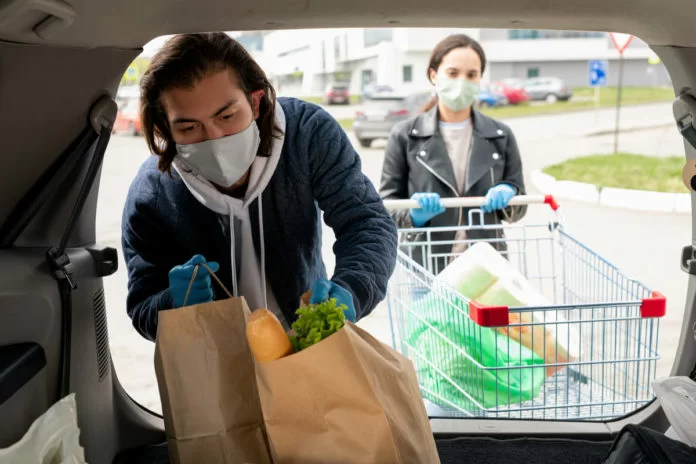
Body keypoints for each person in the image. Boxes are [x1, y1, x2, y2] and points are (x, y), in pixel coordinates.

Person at [122, 33, 398, 341]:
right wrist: (173, 304)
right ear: (165, 128)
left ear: (255, 102)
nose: (214, 138)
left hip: (307, 341)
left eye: (226, 116)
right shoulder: (152, 194)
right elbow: (141, 307)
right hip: (216, 358)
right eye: (189, 127)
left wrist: (352, 288)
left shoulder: (306, 136)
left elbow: (366, 222)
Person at [380, 34, 526, 270]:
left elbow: (519, 209)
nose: (462, 82)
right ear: (433, 75)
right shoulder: (405, 136)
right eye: (453, 73)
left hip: (488, 269)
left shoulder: (501, 135)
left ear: (480, 79)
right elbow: (386, 207)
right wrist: (413, 215)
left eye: (471, 75)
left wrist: (509, 194)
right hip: (426, 268)